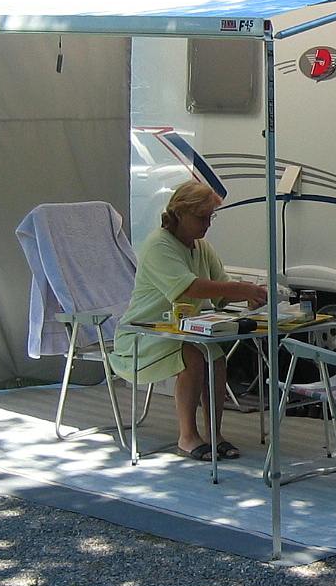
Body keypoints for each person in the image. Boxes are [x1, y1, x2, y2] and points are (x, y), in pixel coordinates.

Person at [109, 181, 266, 460]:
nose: (207, 224)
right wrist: (241, 289)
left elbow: (221, 291)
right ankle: (188, 436)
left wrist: (252, 295)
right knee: (193, 355)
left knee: (216, 357)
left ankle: (214, 433)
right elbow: (188, 288)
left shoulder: (201, 247)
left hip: (180, 331)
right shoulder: (158, 245)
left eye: (210, 217)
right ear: (180, 213)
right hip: (142, 334)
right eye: (201, 217)